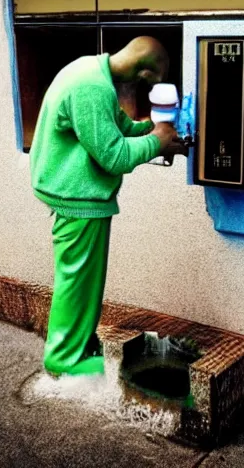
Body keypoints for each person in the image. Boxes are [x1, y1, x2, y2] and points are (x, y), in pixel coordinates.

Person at [29, 36, 184, 377]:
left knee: (84, 281)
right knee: (78, 281)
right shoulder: (92, 88)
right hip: (78, 197)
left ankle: (79, 346)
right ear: (144, 73)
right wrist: (157, 141)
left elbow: (121, 129)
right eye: (153, 82)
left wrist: (156, 133)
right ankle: (65, 358)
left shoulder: (90, 71)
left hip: (78, 194)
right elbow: (114, 156)